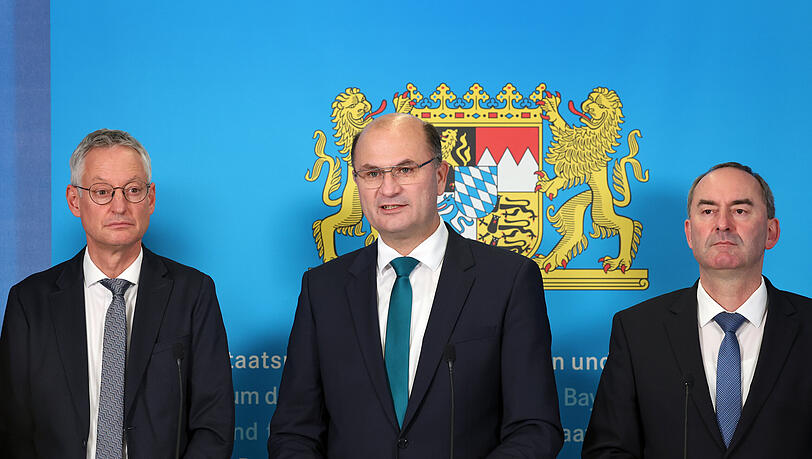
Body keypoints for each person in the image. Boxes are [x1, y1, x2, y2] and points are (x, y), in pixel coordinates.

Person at [268, 113, 563, 458]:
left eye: (405, 170)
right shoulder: (323, 289)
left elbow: (534, 428)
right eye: (372, 173)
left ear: (440, 177)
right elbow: (294, 432)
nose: (388, 188)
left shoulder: (508, 280)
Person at [0, 129, 234, 458]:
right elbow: (12, 429)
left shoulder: (193, 293)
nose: (119, 206)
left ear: (150, 199)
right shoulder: (29, 302)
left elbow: (214, 423)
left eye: (133, 190)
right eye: (102, 191)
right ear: (74, 200)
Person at [583, 162, 812, 458]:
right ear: (690, 234)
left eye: (740, 211)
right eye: (708, 211)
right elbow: (607, 450)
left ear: (771, 231)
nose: (723, 224)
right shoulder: (638, 330)